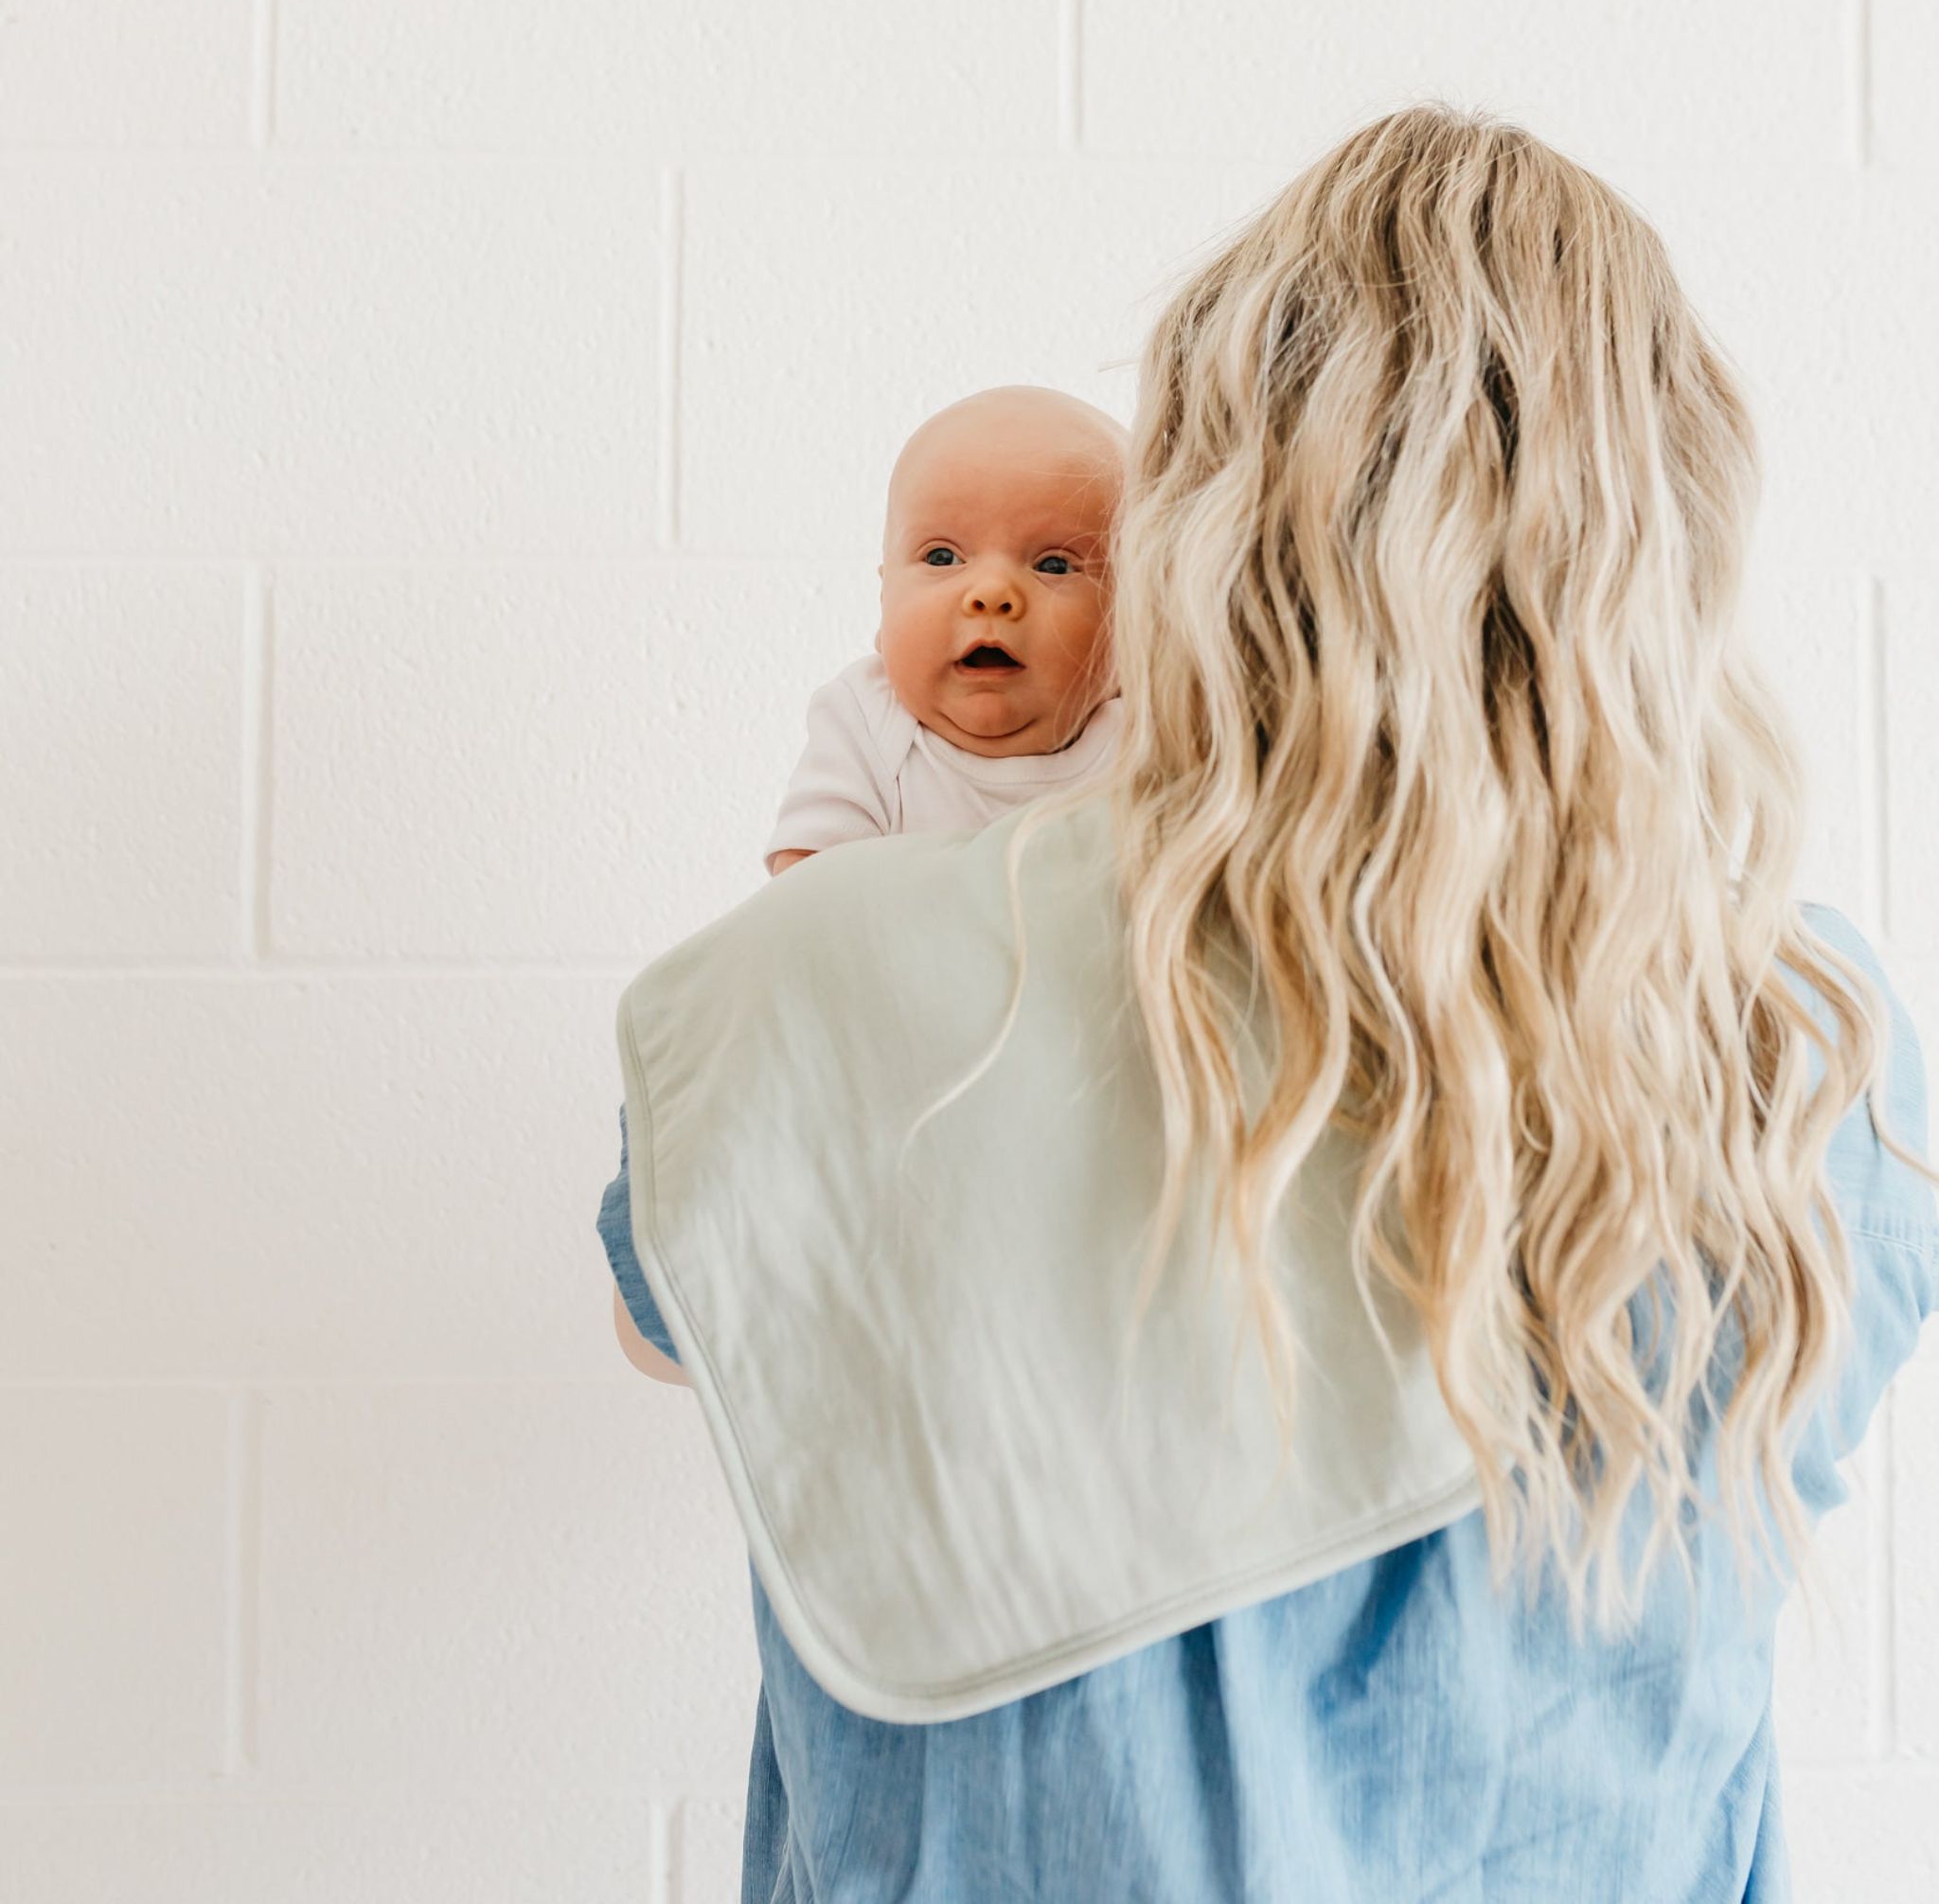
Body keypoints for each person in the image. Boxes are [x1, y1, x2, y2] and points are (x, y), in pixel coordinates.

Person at [599, 101, 1939, 1901]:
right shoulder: (1802, 1049)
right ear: (1665, 540)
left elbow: (669, 1322)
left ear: (1196, 534)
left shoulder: (812, 984)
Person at [761, 381, 1130, 881]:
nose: (993, 593)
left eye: (1054, 565)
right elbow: (804, 895)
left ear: (1140, 612)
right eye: (942, 557)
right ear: (883, 597)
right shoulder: (869, 723)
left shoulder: (1146, 732)